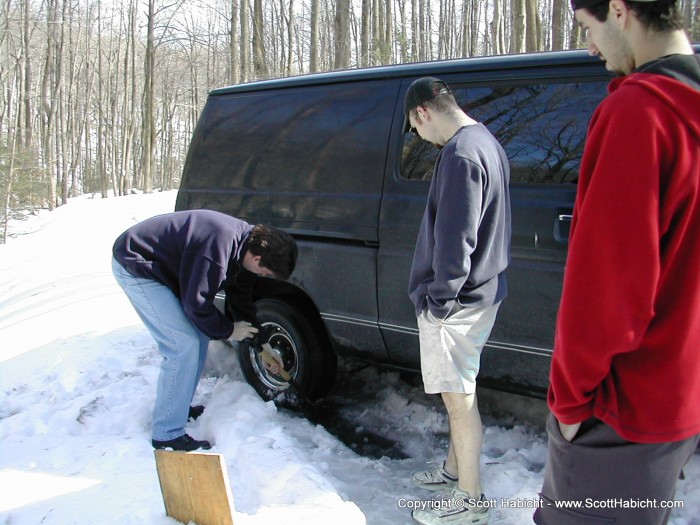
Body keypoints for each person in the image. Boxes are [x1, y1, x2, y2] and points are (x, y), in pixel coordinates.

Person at [534, 1, 700, 524]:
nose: (589, 47)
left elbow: (608, 290)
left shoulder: (641, 114)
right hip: (679, 399)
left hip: (619, 407)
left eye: (588, 28)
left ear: (619, 10)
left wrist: (567, 403)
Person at [405, 77, 511, 525]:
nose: (420, 138)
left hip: (458, 304)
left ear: (422, 113)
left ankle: (470, 501)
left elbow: (456, 239)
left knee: (458, 398)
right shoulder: (486, 140)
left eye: (415, 129)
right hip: (481, 294)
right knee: (458, 391)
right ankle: (454, 471)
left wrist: (439, 300)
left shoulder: (460, 153)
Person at [112, 209, 297, 451]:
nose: (261, 276)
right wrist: (229, 330)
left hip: (163, 268)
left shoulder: (243, 249)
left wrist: (262, 344)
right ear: (258, 258)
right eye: (264, 273)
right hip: (136, 263)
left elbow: (240, 301)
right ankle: (167, 434)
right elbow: (197, 305)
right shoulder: (217, 247)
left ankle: (176, 407)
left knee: (197, 336)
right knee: (182, 345)